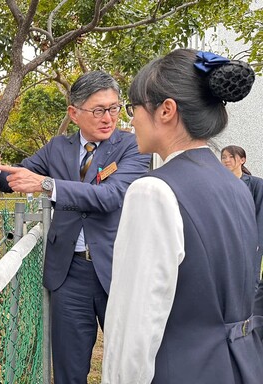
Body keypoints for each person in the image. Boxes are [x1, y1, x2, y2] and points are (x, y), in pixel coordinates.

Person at [0, 71, 151, 383]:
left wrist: (47, 185)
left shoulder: (133, 146)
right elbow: (13, 179)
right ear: (74, 113)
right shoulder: (57, 148)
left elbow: (111, 196)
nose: (108, 118)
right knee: (69, 368)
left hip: (119, 269)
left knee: (131, 366)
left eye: (114, 108)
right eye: (98, 110)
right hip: (69, 273)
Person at [101, 49, 263, 384]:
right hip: (240, 366)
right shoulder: (237, 188)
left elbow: (134, 329)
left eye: (134, 109)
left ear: (166, 110)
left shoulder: (153, 192)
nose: (131, 121)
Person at [221, 145, 263, 338]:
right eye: (223, 157)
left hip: (249, 241)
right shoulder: (220, 184)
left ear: (242, 160)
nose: (226, 160)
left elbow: (260, 215)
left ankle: (250, 325)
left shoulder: (255, 184)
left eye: (231, 157)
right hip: (226, 241)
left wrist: (257, 242)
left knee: (250, 280)